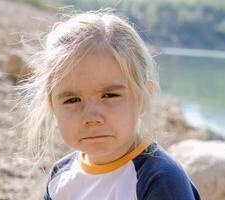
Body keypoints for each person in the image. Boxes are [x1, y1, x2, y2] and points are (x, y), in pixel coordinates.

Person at [20, 10, 201, 200]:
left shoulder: (159, 181)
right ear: (52, 106)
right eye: (72, 100)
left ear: (144, 97)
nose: (91, 117)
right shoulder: (60, 177)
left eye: (110, 95)